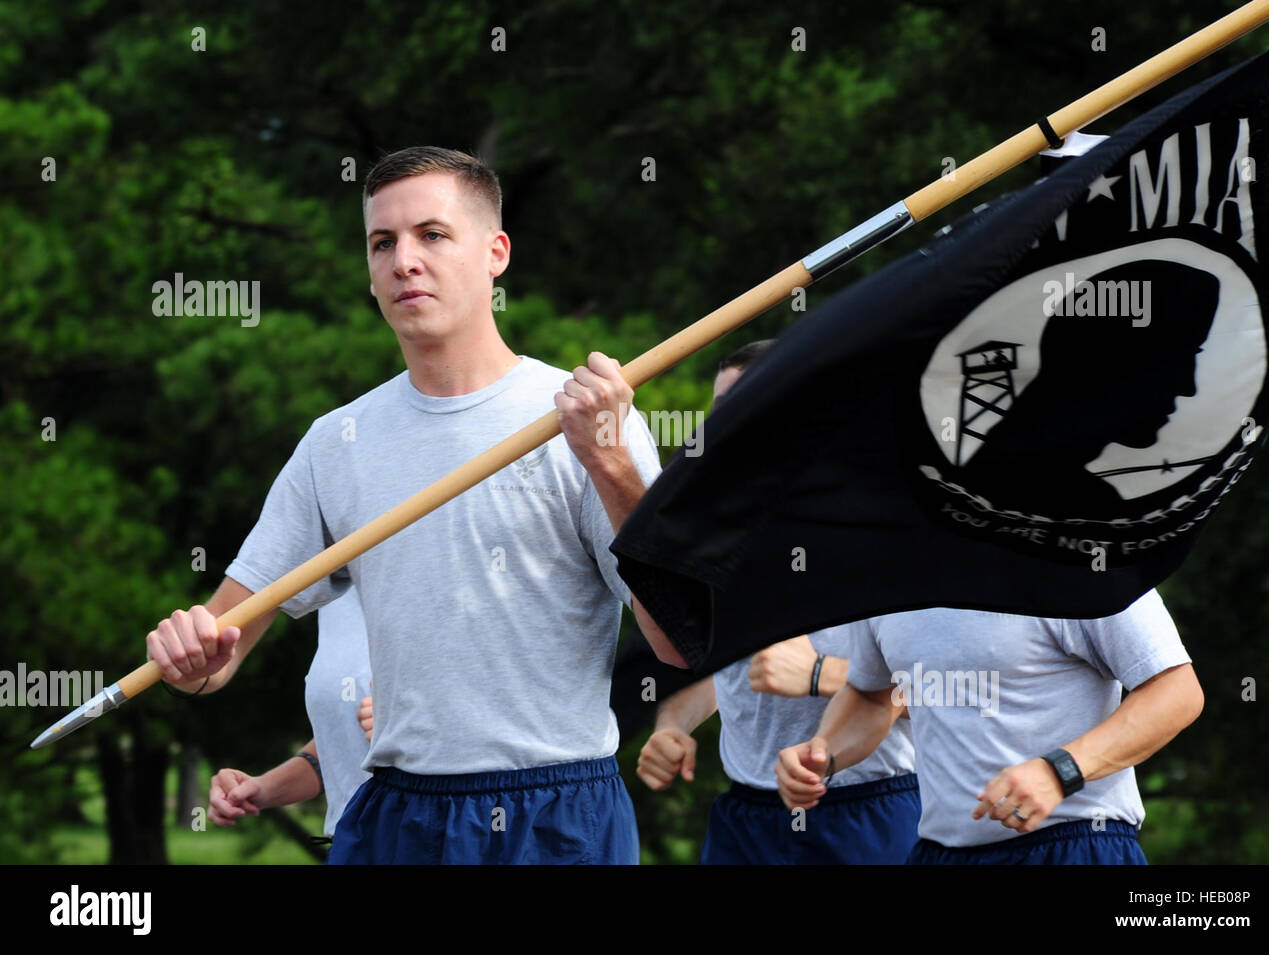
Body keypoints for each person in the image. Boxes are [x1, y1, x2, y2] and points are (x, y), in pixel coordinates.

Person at [146, 146, 682, 865]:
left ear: (496, 253)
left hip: (554, 815)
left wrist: (611, 463)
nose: (404, 260)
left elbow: (678, 638)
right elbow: (222, 646)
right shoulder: (337, 442)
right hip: (398, 814)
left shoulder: (586, 421)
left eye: (432, 234)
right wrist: (191, 658)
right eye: (382, 241)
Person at [637, 340, 920, 864]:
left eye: (747, 405)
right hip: (744, 820)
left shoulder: (882, 532)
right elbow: (723, 666)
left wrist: (822, 674)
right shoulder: (715, 535)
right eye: (721, 411)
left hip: (865, 812)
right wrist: (674, 724)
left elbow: (951, 686)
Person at [776, 592, 1203, 864]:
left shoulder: (1078, 560)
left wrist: (1060, 771)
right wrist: (822, 753)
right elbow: (873, 695)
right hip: (939, 853)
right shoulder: (891, 578)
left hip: (1074, 846)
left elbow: (1176, 690)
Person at [207, 587, 372, 846]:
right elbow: (342, 746)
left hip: (438, 840)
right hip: (355, 847)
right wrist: (262, 788)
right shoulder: (340, 574)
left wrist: (415, 724)